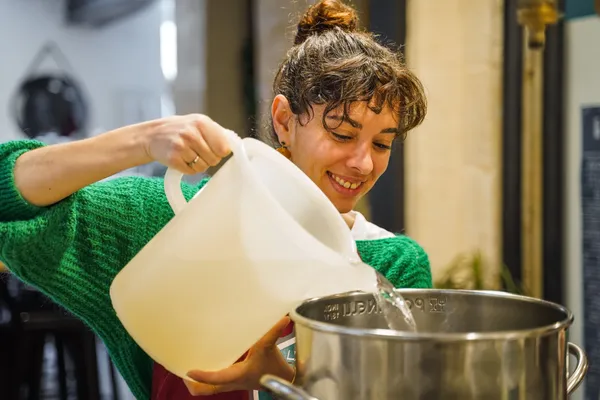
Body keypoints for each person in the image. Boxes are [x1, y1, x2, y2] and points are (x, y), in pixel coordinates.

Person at [0, 0, 431, 398]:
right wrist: (144, 139)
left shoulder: (391, 262)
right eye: (342, 134)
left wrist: (294, 381)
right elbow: (9, 203)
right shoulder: (169, 221)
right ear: (284, 120)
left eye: (382, 144)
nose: (363, 164)